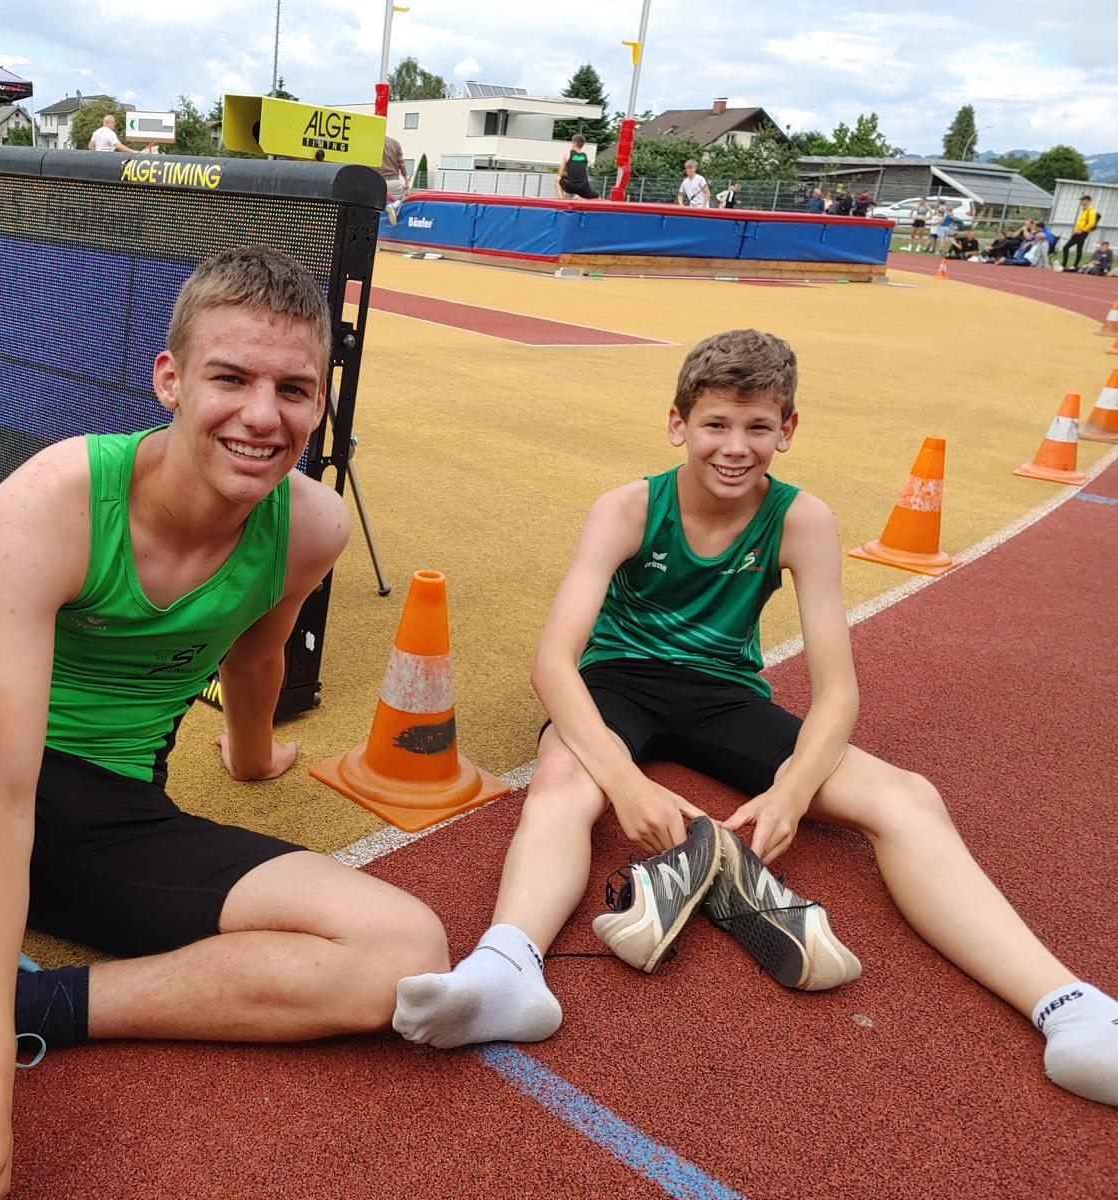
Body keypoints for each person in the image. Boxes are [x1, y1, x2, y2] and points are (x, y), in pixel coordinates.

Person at [0, 246, 449, 1200]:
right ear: (170, 380)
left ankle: (42, 1002)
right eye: (230, 378)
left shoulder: (312, 527)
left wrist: (253, 755)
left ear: (319, 404)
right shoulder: (53, 498)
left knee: (406, 953)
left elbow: (256, 656)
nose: (262, 415)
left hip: (109, 820)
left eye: (293, 389)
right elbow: (1, 794)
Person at [390, 328, 1118, 1110]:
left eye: (758, 427)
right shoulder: (627, 508)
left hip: (725, 694)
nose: (736, 447)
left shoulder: (803, 520)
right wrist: (625, 782)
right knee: (565, 777)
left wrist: (792, 794)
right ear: (678, 424)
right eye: (716, 424)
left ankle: (1071, 1008)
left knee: (908, 797)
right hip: (618, 679)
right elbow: (553, 665)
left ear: (787, 430)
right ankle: (506, 969)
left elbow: (837, 693)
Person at [555, 134, 597, 203]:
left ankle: (561, 200)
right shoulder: (585, 156)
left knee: (557, 179)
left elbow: (560, 173)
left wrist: (566, 173)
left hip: (571, 186)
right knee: (597, 197)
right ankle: (581, 198)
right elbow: (581, 171)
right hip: (583, 187)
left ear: (574, 143)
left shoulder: (567, 153)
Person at [1061, 195, 1100, 271]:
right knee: (1078, 248)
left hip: (1082, 233)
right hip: (1078, 232)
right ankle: (1073, 265)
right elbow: (1080, 222)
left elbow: (1091, 223)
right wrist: (1076, 230)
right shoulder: (1084, 210)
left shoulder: (1091, 211)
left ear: (1087, 201)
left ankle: (1066, 265)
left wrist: (1082, 230)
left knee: (1067, 247)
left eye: (1082, 200)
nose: (1081, 202)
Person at [379, 133, 411, 223]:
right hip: (394, 182)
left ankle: (387, 206)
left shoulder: (373, 143)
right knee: (405, 196)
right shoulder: (395, 143)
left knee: (379, 200)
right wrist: (406, 183)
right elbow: (402, 164)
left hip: (378, 183)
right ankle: (393, 206)